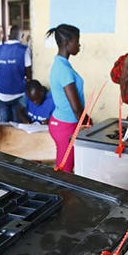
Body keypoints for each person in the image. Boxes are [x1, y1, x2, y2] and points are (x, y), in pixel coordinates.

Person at [47, 24, 87, 172]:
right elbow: (76, 107)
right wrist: (87, 123)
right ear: (66, 43)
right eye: (77, 41)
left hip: (63, 122)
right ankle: (63, 195)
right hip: (66, 126)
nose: (79, 45)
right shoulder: (63, 69)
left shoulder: (61, 64)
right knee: (65, 172)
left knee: (65, 167)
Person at [0, 25, 32, 122]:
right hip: (19, 94)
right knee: (16, 125)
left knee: (4, 124)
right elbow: (29, 75)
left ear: (9, 35)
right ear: (21, 35)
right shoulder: (24, 50)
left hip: (2, 94)